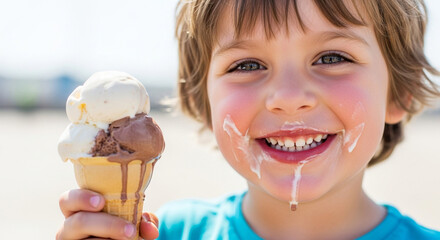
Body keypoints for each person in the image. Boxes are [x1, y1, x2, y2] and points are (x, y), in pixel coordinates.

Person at [56, 0, 440, 239]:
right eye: (248, 65)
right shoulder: (165, 233)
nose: (289, 98)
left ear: (399, 91)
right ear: (204, 103)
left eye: (332, 58)